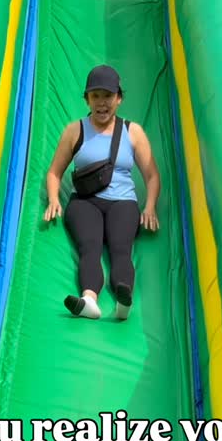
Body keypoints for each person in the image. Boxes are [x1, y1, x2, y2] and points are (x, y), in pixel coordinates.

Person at [44, 65, 161, 321]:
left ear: (119, 99)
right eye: (95, 96)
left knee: (121, 248)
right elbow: (54, 172)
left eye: (107, 96)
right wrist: (53, 199)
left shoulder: (132, 132)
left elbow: (152, 175)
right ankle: (89, 301)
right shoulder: (75, 130)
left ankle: (123, 300)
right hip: (85, 201)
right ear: (87, 99)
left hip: (123, 202)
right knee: (90, 247)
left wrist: (150, 206)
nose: (101, 103)